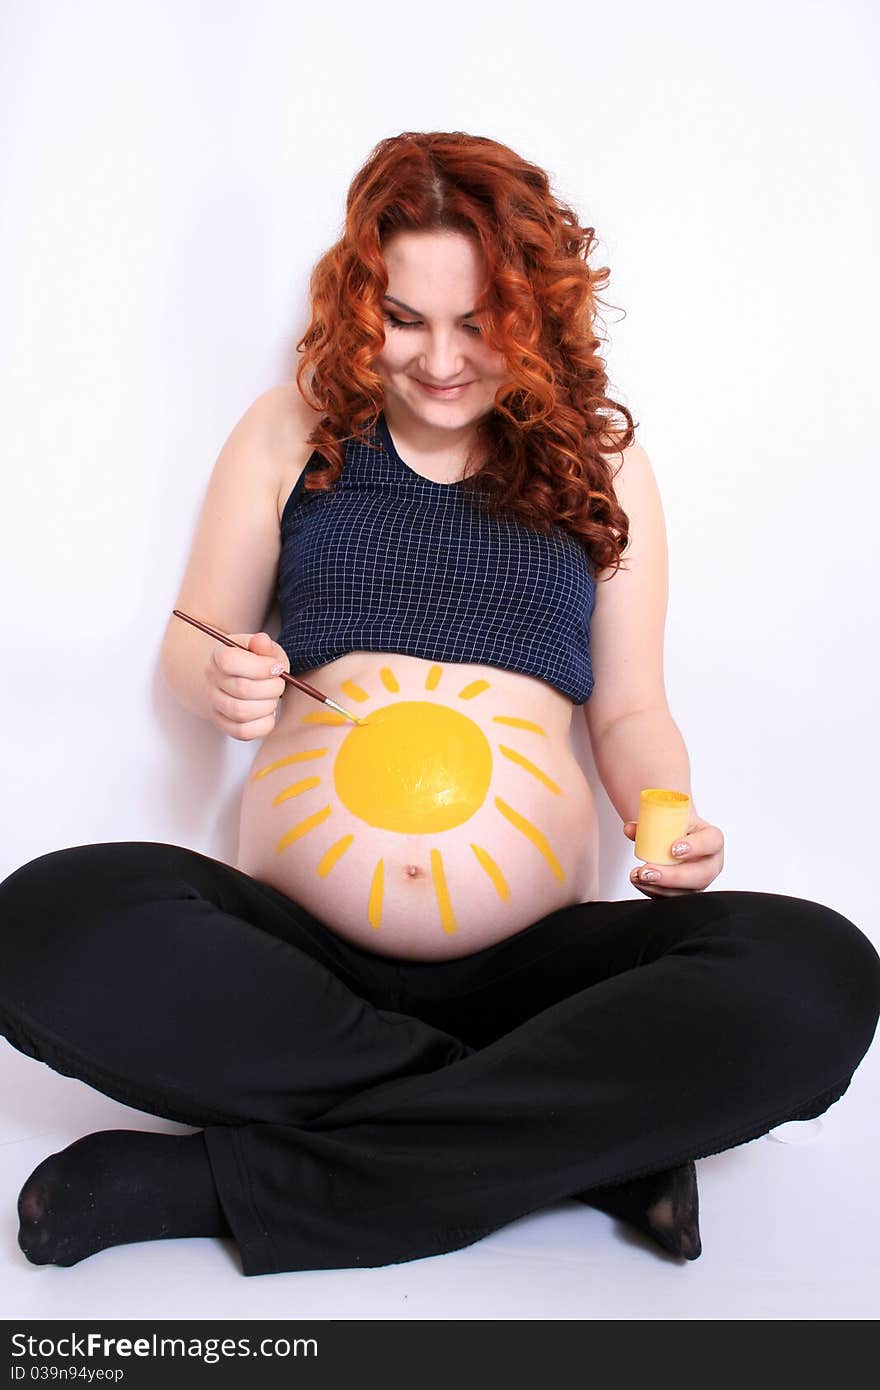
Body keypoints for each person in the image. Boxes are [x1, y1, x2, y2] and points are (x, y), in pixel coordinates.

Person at [2, 131, 878, 1278]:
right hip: (299, 966)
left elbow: (628, 711)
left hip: (535, 977)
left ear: (536, 309)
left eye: (479, 322)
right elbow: (195, 634)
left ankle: (221, 1181)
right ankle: (583, 1145)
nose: (441, 359)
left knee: (813, 972)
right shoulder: (293, 428)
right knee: (44, 921)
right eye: (404, 318)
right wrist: (220, 675)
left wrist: (666, 812)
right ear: (357, 301)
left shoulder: (600, 463)